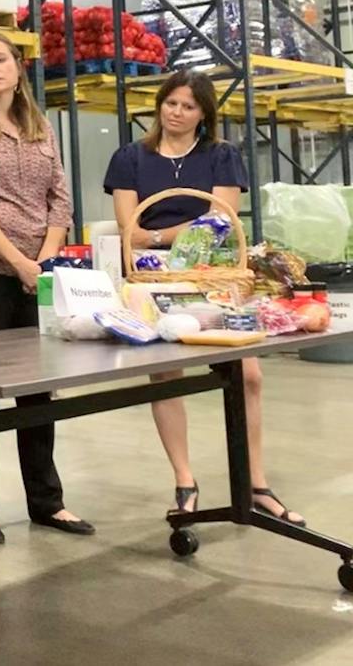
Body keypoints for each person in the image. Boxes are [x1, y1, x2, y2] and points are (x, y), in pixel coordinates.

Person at [104, 69, 304, 526]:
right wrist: (175, 236)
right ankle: (185, 481)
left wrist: (158, 236)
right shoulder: (129, 157)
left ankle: (256, 483)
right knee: (165, 375)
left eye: (188, 106)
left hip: (218, 279)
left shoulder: (222, 155)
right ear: (159, 105)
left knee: (248, 375)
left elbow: (220, 218)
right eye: (170, 103)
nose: (176, 113)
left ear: (204, 114)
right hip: (153, 283)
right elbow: (127, 231)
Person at [0, 32, 94, 544]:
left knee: (38, 391)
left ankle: (47, 501)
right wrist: (20, 263)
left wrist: (45, 259)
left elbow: (61, 198)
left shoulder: (39, 126)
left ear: (17, 66)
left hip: (41, 269)